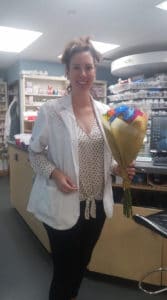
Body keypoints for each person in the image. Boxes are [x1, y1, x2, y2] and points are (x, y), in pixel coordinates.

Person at [27, 36, 135, 300]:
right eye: (77, 67)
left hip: (96, 206)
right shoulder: (51, 111)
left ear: (95, 69)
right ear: (67, 71)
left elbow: (103, 158)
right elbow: (34, 153)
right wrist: (56, 173)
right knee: (64, 271)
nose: (83, 73)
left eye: (88, 67)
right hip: (63, 202)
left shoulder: (106, 112)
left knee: (81, 265)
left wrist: (119, 169)